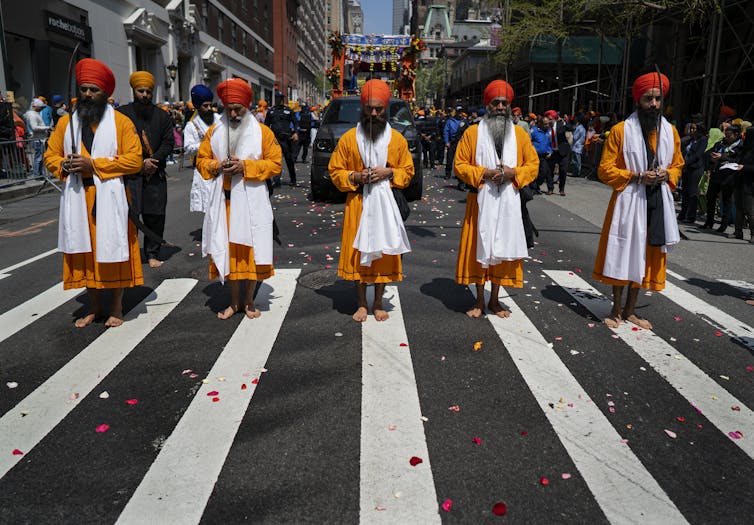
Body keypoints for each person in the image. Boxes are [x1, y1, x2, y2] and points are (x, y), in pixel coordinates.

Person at [43, 58, 143, 328]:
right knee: (85, 254)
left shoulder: (121, 123)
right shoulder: (66, 124)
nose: (87, 94)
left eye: (93, 90)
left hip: (110, 198)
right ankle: (95, 307)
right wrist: (63, 164)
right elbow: (50, 155)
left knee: (113, 252)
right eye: (84, 88)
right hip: (77, 198)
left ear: (105, 94)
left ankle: (117, 308)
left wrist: (94, 164)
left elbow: (134, 160)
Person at [592, 71, 684, 330]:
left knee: (644, 255)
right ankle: (616, 309)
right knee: (623, 252)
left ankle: (631, 310)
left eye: (657, 99)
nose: (654, 104)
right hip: (628, 200)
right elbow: (604, 169)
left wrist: (668, 173)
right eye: (648, 99)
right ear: (638, 101)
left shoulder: (671, 132)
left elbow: (678, 165)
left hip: (657, 200)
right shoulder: (621, 131)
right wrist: (636, 176)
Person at [328, 79, 413, 322]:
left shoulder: (397, 140)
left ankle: (378, 302)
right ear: (362, 109)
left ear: (385, 110)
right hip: (358, 204)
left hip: (386, 206)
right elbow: (335, 171)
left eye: (378, 109)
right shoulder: (348, 139)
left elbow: (407, 172)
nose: (374, 113)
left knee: (383, 254)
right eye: (369, 109)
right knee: (360, 256)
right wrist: (355, 176)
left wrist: (390, 173)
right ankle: (362, 303)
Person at [196, 78, 282, 319]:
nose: (233, 114)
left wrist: (245, 166)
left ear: (247, 106)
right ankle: (234, 302)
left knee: (251, 253)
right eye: (228, 109)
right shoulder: (214, 131)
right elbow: (202, 161)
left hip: (252, 202)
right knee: (230, 252)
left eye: (238, 109)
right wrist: (217, 165)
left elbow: (275, 164)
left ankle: (248, 301)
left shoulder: (263, 132)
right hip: (224, 202)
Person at [454, 80, 539, 318]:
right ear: (488, 105)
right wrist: (484, 173)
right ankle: (479, 300)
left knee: (501, 251)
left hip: (509, 202)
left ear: (510, 106)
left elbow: (533, 164)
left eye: (505, 103)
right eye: (496, 103)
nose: (501, 107)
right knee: (480, 250)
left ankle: (495, 300)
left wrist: (514, 174)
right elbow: (459, 165)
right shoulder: (472, 133)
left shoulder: (521, 135)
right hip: (480, 201)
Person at [117, 71, 175, 268]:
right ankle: (129, 254)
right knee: (128, 216)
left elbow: (168, 142)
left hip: (155, 174)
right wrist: (139, 163)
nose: (145, 95)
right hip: (130, 175)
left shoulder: (162, 116)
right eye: (141, 91)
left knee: (155, 216)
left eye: (148, 91)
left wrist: (154, 160)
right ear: (134, 90)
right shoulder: (121, 114)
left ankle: (152, 253)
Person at [184, 84, 221, 213]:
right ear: (197, 106)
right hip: (204, 169)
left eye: (210, 105)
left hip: (221, 166)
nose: (209, 108)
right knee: (209, 205)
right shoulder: (191, 126)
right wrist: (206, 145)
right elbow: (188, 148)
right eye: (205, 106)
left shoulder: (219, 119)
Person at [702, 124, 742, 234]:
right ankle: (709, 222)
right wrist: (713, 157)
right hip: (716, 174)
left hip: (729, 177)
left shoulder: (740, 146)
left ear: (736, 135)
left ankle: (723, 225)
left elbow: (739, 159)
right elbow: (708, 152)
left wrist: (724, 157)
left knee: (726, 200)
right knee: (710, 198)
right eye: (726, 135)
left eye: (729, 136)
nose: (727, 138)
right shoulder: (721, 143)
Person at [264, 92, 298, 186]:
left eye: (280, 98)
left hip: (286, 138)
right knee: (276, 159)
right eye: (277, 98)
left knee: (289, 159)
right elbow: (266, 126)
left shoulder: (288, 110)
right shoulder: (271, 111)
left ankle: (293, 179)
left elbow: (295, 122)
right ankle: (277, 180)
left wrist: (295, 132)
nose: (279, 99)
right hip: (275, 139)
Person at [678, 123, 708, 223]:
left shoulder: (703, 140)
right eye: (691, 128)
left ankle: (691, 216)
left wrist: (686, 163)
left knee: (692, 192)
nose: (691, 131)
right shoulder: (690, 140)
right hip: (687, 168)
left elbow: (698, 155)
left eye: (694, 129)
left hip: (695, 168)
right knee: (685, 191)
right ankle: (683, 213)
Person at [732, 131, 754, 242]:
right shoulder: (744, 148)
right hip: (739, 182)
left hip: (749, 184)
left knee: (750, 210)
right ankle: (738, 231)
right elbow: (736, 159)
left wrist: (744, 167)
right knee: (739, 208)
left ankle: (753, 234)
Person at [529, 115, 554, 194]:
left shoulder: (548, 132)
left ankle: (537, 185)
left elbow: (550, 144)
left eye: (548, 124)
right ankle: (534, 188)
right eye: (545, 124)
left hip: (544, 156)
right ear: (540, 124)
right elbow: (528, 141)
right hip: (534, 155)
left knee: (544, 172)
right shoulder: (534, 131)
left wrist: (550, 151)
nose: (547, 126)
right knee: (533, 172)